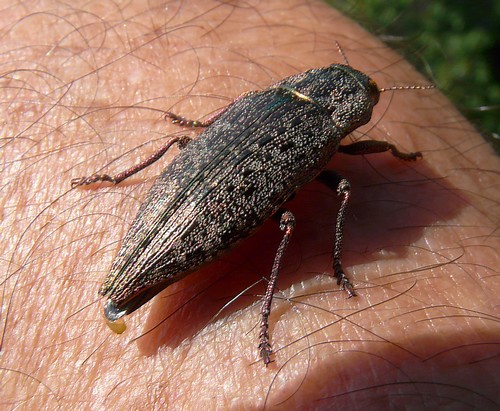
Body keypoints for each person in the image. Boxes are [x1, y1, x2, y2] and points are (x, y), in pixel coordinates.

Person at [2, 1, 498, 409]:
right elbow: (352, 176)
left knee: (184, 146)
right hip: (205, 210)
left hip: (187, 194)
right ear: (354, 115)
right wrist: (393, 164)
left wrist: (204, 128)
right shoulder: (323, 134)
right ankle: (271, 308)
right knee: (309, 210)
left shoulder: (267, 98)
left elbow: (236, 114)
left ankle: (122, 199)